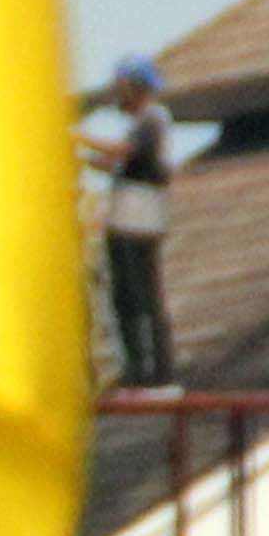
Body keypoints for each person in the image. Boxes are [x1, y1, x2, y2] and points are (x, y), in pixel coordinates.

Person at [97, 59, 176, 387]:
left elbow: (122, 152)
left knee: (140, 296)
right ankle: (138, 369)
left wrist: (76, 138)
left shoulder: (152, 119)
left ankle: (152, 372)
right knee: (125, 299)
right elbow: (112, 161)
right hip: (129, 217)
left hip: (138, 220)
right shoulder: (143, 123)